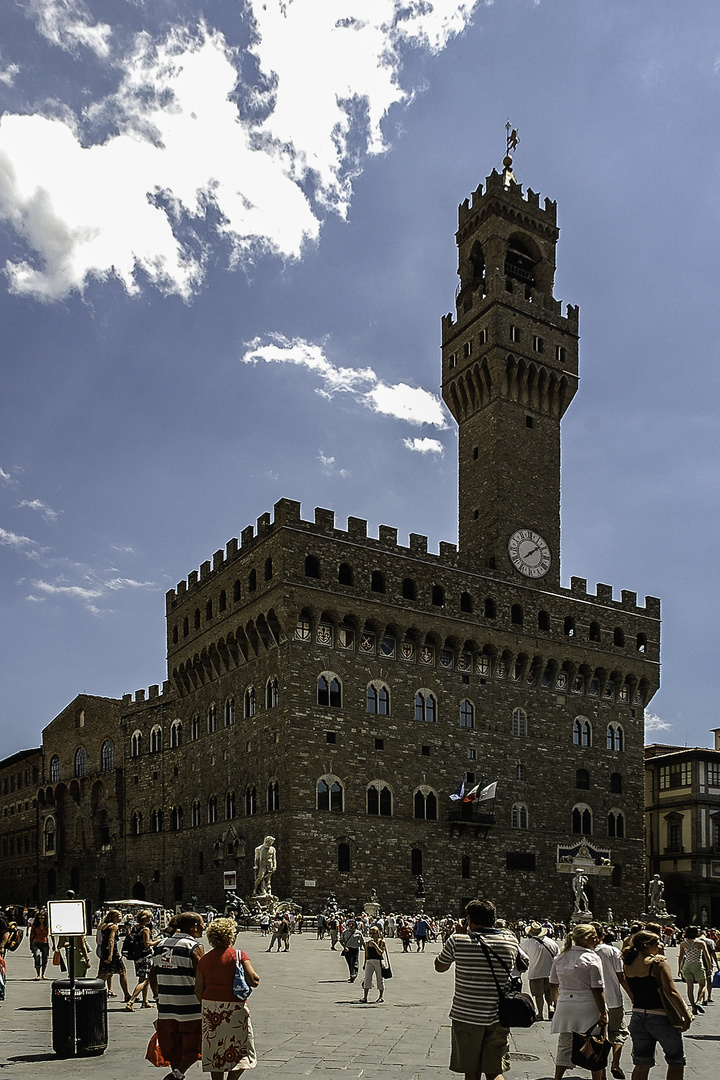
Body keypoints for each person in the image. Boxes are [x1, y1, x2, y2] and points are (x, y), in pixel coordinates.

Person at [434, 898, 524, 1080]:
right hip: (498, 1015)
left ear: (469, 919)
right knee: (495, 1071)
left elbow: (439, 966)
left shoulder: (457, 940)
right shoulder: (510, 941)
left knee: (471, 1071)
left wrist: (458, 935)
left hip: (466, 1015)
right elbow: (523, 964)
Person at [194, 917, 260, 1080]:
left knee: (215, 1050)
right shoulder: (239, 955)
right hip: (235, 1009)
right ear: (230, 936)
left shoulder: (205, 959)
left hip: (211, 1010)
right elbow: (254, 980)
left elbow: (198, 990)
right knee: (243, 1051)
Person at [622, 929, 692, 1080]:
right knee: (676, 1061)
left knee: (641, 1062)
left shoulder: (628, 964)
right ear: (647, 945)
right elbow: (671, 992)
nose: (661, 944)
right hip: (661, 1017)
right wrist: (686, 1016)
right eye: (657, 942)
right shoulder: (658, 963)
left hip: (638, 1016)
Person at [150, 911, 205, 1080]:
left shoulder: (160, 945)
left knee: (173, 1045)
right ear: (194, 927)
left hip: (166, 1004)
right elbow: (202, 975)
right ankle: (178, 1073)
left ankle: (176, 1074)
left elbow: (152, 974)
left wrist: (157, 997)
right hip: (190, 1005)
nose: (204, 928)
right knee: (195, 1044)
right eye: (202, 925)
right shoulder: (193, 947)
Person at [549, 923, 607, 1080]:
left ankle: (558, 1077)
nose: (597, 940)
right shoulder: (592, 958)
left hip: (565, 1003)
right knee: (594, 1043)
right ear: (585, 939)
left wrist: (557, 1002)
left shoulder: (560, 957)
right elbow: (597, 988)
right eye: (594, 937)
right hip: (587, 1004)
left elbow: (553, 983)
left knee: (564, 1044)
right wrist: (603, 1012)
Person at [592, 924, 630, 1080]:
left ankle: (600, 1073)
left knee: (597, 1037)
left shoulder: (585, 952)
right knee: (618, 1033)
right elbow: (621, 978)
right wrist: (633, 996)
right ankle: (615, 1063)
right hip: (613, 999)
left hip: (593, 1001)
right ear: (603, 936)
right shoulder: (613, 951)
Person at [520, 921, 559, 1021]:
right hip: (550, 973)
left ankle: (540, 1013)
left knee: (538, 995)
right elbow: (558, 957)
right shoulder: (552, 943)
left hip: (535, 972)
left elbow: (522, 956)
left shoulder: (528, 943)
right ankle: (550, 1006)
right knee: (549, 993)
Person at [125, 908, 159, 1010]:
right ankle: (131, 1001)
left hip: (137, 957)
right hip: (146, 956)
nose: (151, 919)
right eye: (149, 917)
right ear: (146, 918)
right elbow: (147, 944)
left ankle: (145, 1001)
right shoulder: (145, 929)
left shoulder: (135, 928)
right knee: (144, 980)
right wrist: (158, 941)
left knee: (145, 979)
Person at [97, 908, 131, 1001]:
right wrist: (111, 954)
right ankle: (127, 994)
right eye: (118, 916)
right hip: (112, 951)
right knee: (122, 972)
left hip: (104, 950)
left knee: (102, 973)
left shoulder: (103, 926)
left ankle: (95, 991)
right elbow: (111, 940)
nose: (120, 918)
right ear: (113, 917)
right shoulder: (114, 927)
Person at [677, 926, 712, 1015]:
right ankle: (698, 1001)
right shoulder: (700, 943)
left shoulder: (683, 943)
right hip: (698, 964)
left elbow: (681, 957)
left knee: (690, 987)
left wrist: (679, 968)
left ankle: (693, 1007)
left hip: (687, 965)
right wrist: (709, 967)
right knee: (702, 984)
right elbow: (707, 956)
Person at [360, 925, 386, 1004]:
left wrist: (375, 945)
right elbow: (366, 954)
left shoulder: (382, 942)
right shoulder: (367, 943)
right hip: (369, 961)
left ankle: (381, 996)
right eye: (370, 933)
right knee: (367, 979)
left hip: (378, 961)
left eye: (373, 933)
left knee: (380, 979)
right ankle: (365, 997)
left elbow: (380, 953)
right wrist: (365, 963)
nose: (372, 935)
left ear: (377, 933)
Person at [29, 910, 50, 980]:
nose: (41, 920)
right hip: (36, 943)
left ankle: (43, 974)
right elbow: (31, 935)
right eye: (40, 918)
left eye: (43, 918)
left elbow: (51, 935)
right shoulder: (35, 925)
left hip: (45, 943)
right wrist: (30, 945)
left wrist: (54, 944)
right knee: (37, 957)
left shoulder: (47, 926)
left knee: (45, 959)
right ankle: (38, 975)